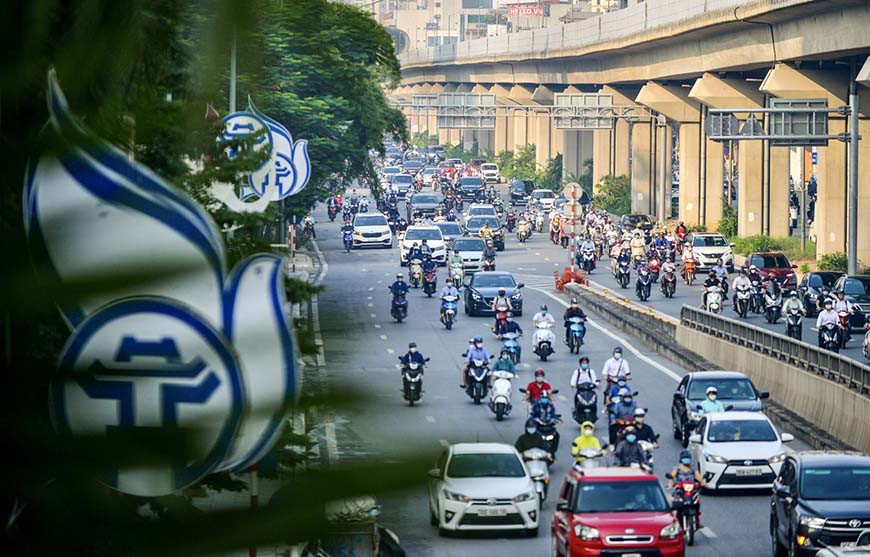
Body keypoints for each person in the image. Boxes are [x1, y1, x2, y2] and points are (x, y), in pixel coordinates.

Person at [667, 449, 706, 529]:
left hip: (691, 490)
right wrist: (670, 484)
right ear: (681, 459)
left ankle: (697, 521)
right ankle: (675, 521)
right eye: (685, 457)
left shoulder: (693, 468)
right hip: (680, 490)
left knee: (696, 502)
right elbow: (672, 477)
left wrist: (703, 482)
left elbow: (698, 476)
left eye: (688, 457)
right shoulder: (677, 468)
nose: (686, 459)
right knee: (676, 505)